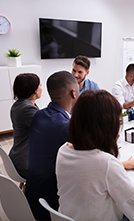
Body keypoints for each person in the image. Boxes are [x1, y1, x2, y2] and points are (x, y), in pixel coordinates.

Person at [56, 90, 134, 221]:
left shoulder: (63, 150)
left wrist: (120, 165)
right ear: (107, 126)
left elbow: (88, 169)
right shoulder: (106, 163)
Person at [25, 71, 80, 220]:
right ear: (73, 93)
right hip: (53, 203)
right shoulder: (67, 127)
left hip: (32, 195)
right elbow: (92, 160)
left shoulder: (38, 115)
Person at [9, 73, 42, 179]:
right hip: (25, 164)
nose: (42, 88)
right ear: (35, 90)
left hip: (17, 157)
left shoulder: (18, 105)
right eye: (40, 86)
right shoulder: (28, 109)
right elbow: (44, 129)